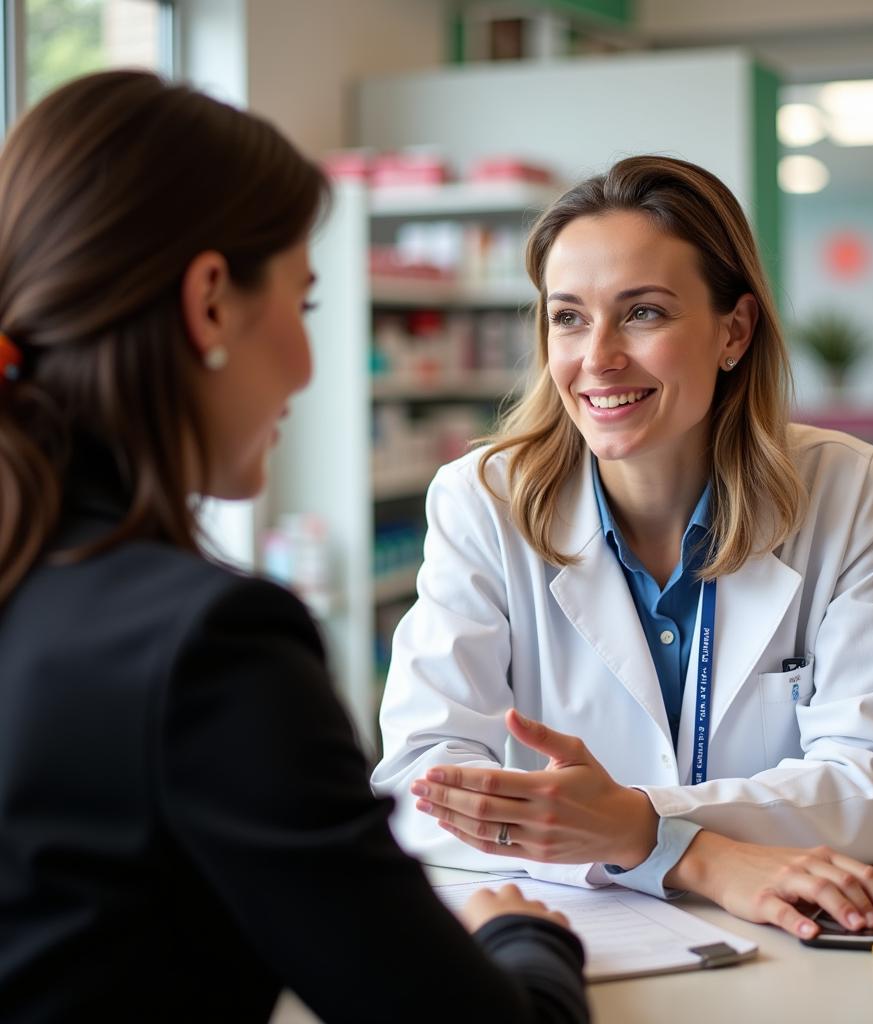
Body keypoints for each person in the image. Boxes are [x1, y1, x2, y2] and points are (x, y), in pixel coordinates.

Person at [0, 71, 589, 1023]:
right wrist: (529, 938)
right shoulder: (208, 646)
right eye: (305, 306)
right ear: (209, 305)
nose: (311, 366)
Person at [372, 155, 873, 941]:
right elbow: (418, 790)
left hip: (793, 949)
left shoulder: (843, 489)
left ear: (733, 331)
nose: (597, 358)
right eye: (568, 316)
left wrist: (639, 823)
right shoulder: (483, 500)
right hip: (588, 941)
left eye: (642, 313)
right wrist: (683, 853)